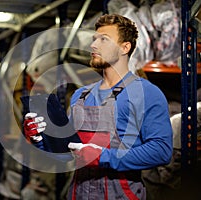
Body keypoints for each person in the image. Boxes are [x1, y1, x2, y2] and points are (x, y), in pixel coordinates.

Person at [23, 14, 173, 200]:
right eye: (94, 39)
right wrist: (40, 138)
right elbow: (67, 153)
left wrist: (103, 157)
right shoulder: (81, 96)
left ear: (125, 47)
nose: (93, 45)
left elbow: (161, 151)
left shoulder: (146, 93)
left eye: (104, 40)